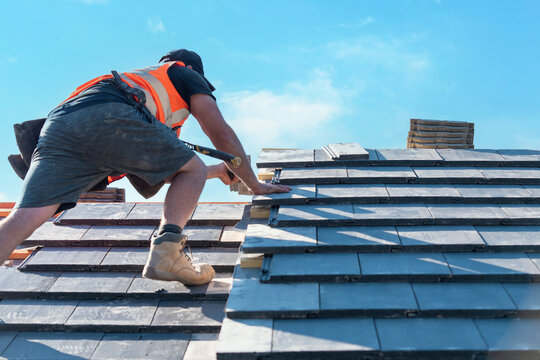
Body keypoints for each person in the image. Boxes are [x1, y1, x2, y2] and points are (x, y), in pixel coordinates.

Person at [0, 49, 290, 285]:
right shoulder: (183, 72)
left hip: (58, 128)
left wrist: (217, 171)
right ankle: (167, 251)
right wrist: (254, 184)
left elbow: (165, 173)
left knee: (20, 221)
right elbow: (221, 135)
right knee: (194, 168)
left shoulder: (145, 89)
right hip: (108, 112)